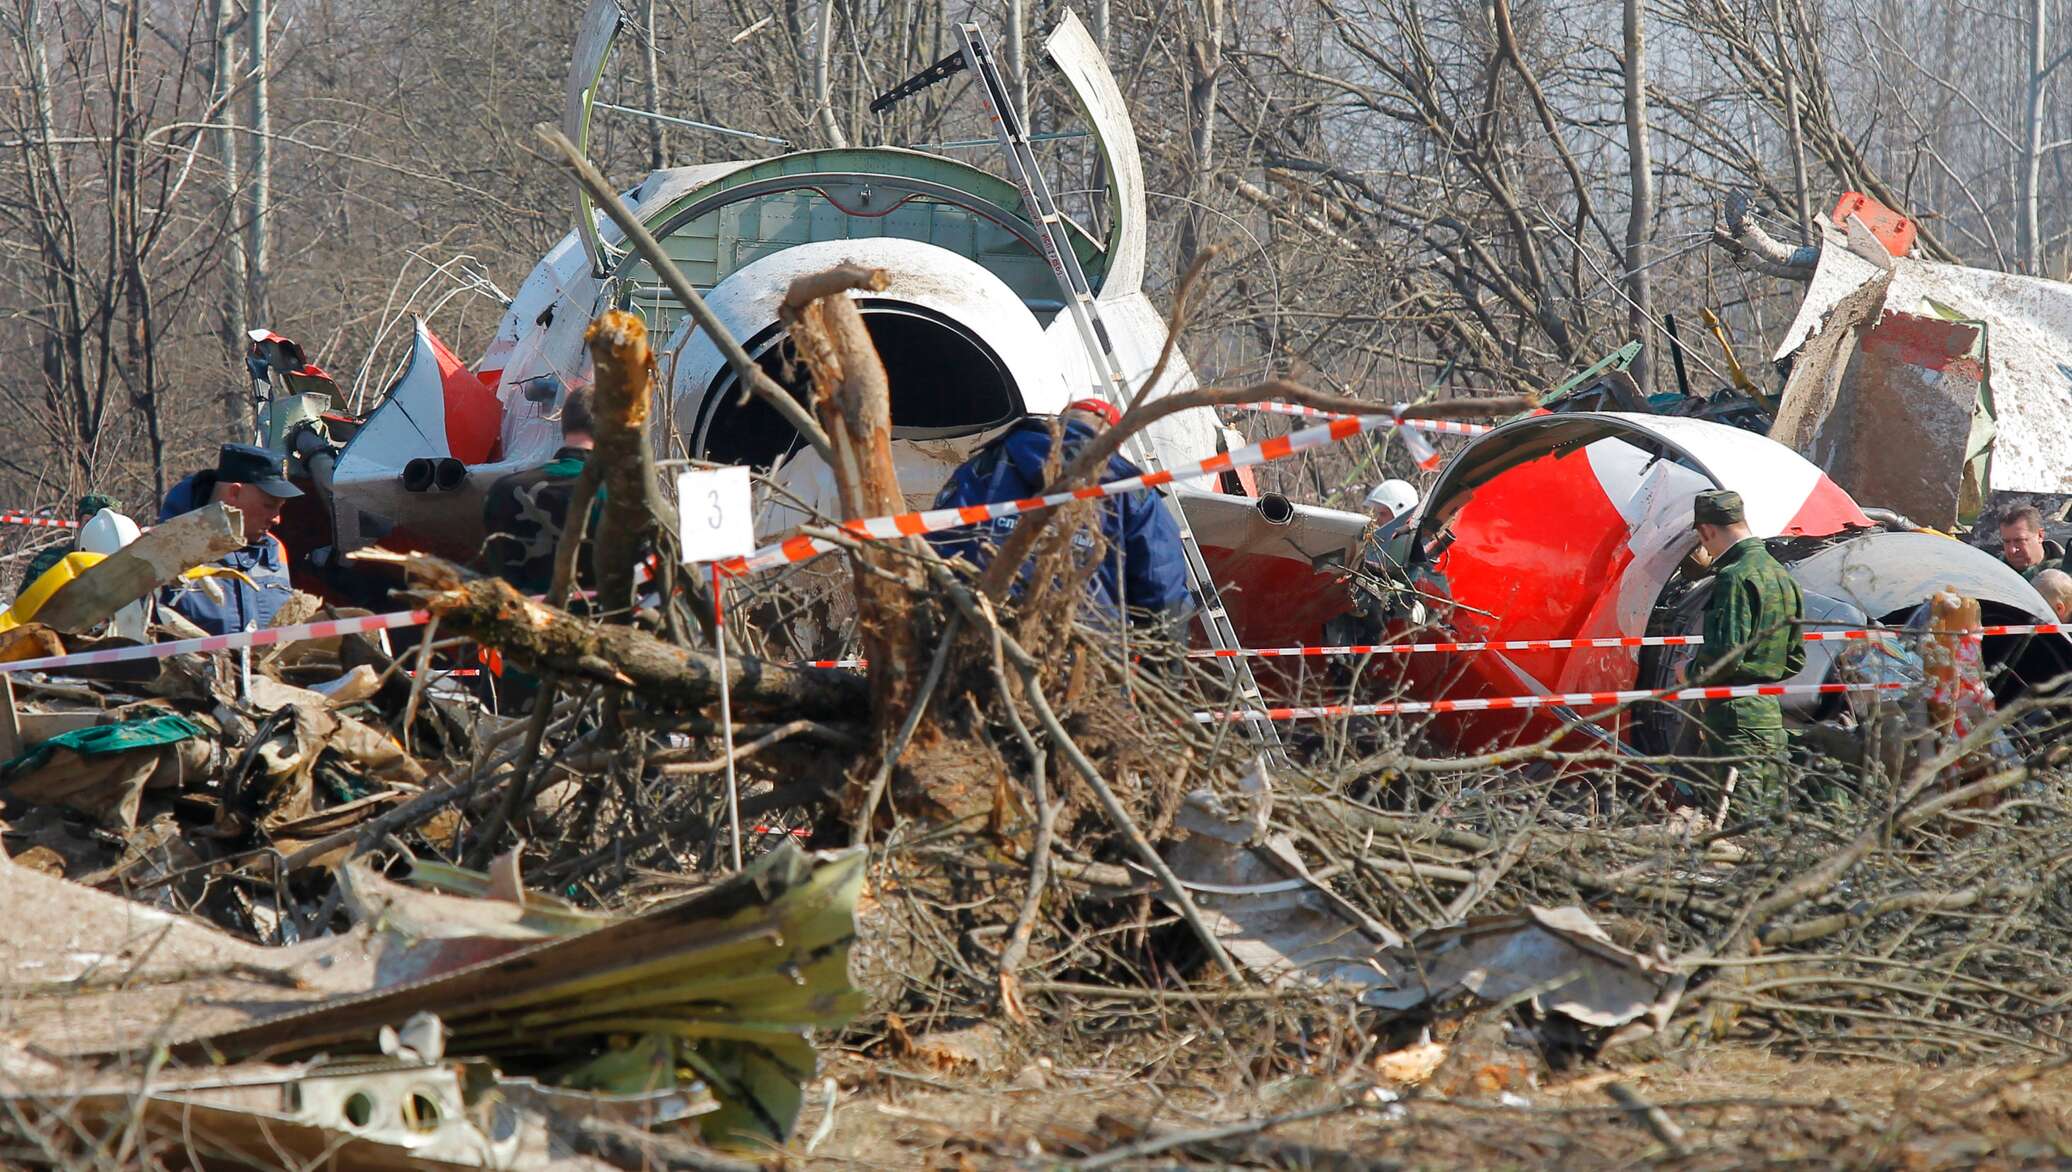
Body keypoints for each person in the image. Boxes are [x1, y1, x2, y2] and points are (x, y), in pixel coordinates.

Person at [930, 398, 1189, 619]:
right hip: (1080, 651)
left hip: (973, 622)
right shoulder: (1133, 490)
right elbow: (1163, 592)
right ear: (1113, 438)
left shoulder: (993, 459)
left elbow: (942, 535)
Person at [1685, 488, 1805, 807]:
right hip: (1768, 713)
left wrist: (1688, 673)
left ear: (1706, 531)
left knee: (1732, 823)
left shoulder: (1734, 577)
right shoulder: (1782, 575)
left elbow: (1725, 655)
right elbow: (1795, 658)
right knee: (1767, 821)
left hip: (1733, 717)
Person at [158, 444, 301, 635]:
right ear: (234, 493)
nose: (277, 519)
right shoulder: (159, 549)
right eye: (268, 505)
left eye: (280, 507)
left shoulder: (276, 552)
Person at [483, 388, 595, 595]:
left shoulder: (502, 492)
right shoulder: (621, 496)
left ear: (563, 424)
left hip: (518, 622)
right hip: (598, 622)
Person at [19, 494, 118, 593]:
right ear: (79, 523)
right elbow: (25, 604)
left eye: (103, 525)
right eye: (88, 521)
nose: (94, 529)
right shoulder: (48, 562)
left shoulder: (120, 567)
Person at [1996, 503, 2064, 582]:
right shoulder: (1992, 575)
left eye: (2019, 540)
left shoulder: (2067, 570)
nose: (2012, 550)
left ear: (2040, 535)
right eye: (2007, 541)